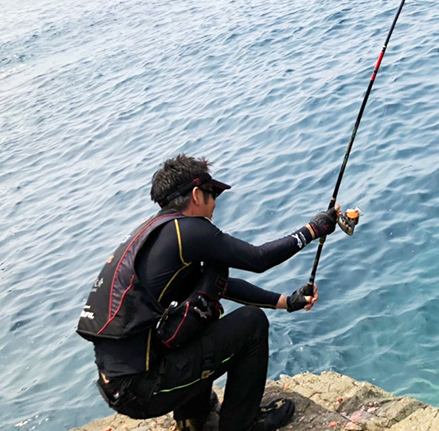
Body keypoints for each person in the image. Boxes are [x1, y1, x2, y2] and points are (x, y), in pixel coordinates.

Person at [77, 154, 339, 431]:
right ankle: (242, 424)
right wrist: (313, 229)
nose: (215, 203)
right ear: (195, 195)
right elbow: (258, 258)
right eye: (212, 193)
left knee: (199, 312)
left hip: (122, 389)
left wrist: (286, 302)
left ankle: (194, 417)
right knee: (251, 323)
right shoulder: (188, 231)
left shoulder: (154, 234)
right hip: (145, 389)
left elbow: (216, 286)